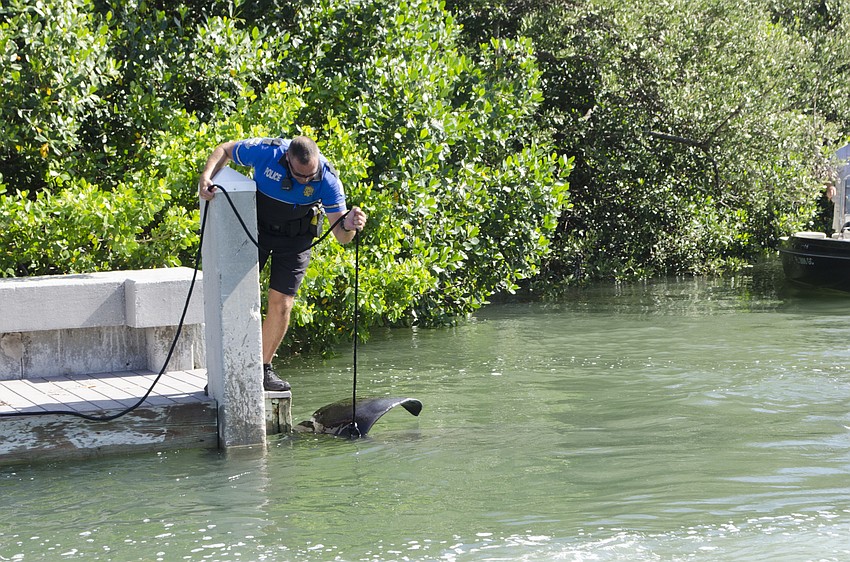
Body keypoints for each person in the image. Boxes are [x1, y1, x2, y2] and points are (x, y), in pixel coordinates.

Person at [198, 135, 367, 391]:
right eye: (300, 176)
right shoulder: (267, 151)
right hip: (256, 229)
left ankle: (262, 370)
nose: (305, 181)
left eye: (310, 176)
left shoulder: (328, 178)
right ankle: (228, 372)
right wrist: (206, 177)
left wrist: (350, 224)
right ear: (287, 158)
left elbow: (342, 237)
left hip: (296, 237)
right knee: (235, 297)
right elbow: (225, 150)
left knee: (283, 303)